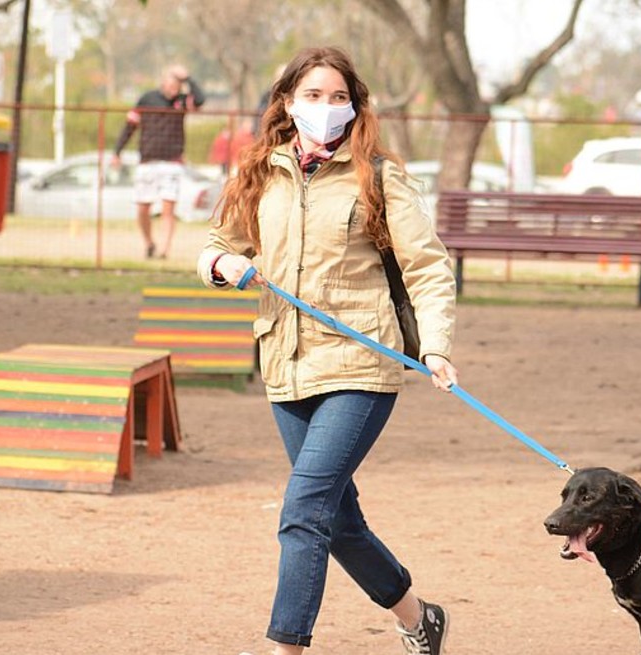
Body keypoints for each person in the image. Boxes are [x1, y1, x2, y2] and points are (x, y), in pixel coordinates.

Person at [196, 47, 458, 655]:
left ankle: (285, 647)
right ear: (288, 102)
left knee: (304, 509)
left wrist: (438, 346)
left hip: (361, 365)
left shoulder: (379, 174)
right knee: (337, 520)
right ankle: (418, 617)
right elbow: (215, 243)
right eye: (313, 95)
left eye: (338, 97)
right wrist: (222, 262)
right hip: (285, 363)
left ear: (355, 106)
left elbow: (427, 268)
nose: (326, 107)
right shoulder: (260, 171)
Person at [112, 64, 205, 259]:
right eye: (171, 84)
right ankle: (149, 243)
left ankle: (164, 250)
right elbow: (130, 126)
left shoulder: (181, 101)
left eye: (178, 86)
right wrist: (117, 152)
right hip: (147, 161)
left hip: (172, 161)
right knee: (142, 208)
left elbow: (200, 100)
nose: (174, 89)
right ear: (163, 82)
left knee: (168, 208)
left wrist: (187, 78)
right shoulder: (147, 99)